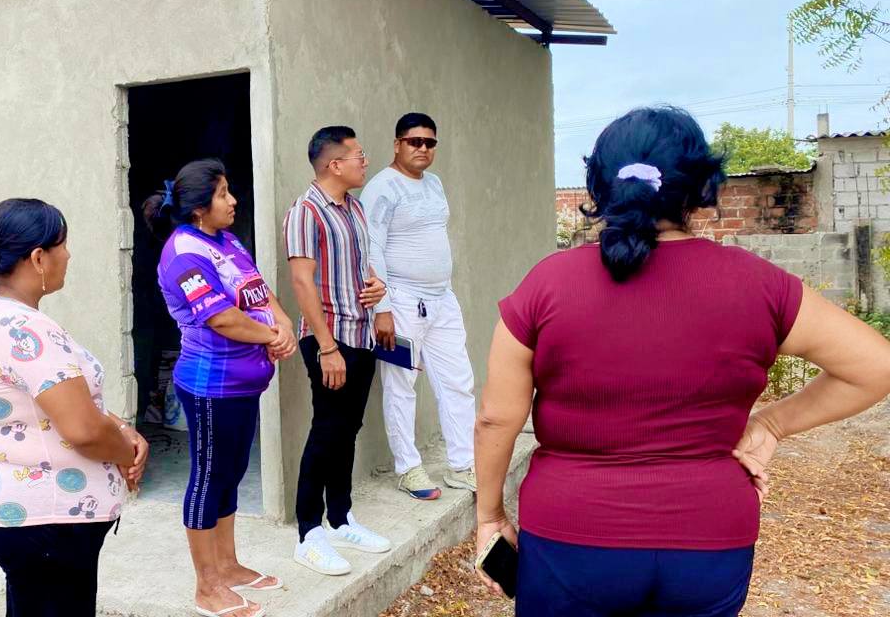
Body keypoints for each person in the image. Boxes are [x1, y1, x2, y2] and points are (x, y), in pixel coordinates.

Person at [473, 106, 890, 616]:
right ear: (700, 187)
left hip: (573, 537)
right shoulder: (759, 284)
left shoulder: (547, 284)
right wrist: (771, 426)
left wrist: (489, 516)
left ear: (599, 184)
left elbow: (496, 418)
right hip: (711, 539)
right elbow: (876, 366)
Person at [0, 198, 150, 617]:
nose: (69, 255)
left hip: (32, 520)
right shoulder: (28, 331)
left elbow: (51, 405)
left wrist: (122, 430)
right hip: (51, 525)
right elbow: (84, 430)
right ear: (39, 258)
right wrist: (126, 453)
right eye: (63, 245)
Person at [144, 159, 297, 617]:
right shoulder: (184, 254)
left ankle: (228, 566)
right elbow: (221, 318)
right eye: (223, 193)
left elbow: (259, 291)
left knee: (231, 473)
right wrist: (271, 336)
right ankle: (207, 586)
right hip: (212, 386)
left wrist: (284, 325)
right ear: (198, 208)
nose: (233, 201)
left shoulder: (227, 241)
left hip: (244, 385)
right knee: (208, 478)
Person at [284, 125, 391, 576]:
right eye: (358, 155)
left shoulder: (355, 207)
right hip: (330, 340)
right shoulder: (306, 211)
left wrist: (376, 288)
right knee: (328, 429)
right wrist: (327, 348)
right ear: (334, 164)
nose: (365, 162)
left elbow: (360, 265)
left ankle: (341, 518)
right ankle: (309, 532)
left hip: (360, 334)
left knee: (348, 429)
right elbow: (301, 281)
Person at [361, 112, 477, 501]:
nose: (423, 148)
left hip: (442, 299)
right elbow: (371, 249)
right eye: (415, 141)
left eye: (430, 142)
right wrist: (383, 308)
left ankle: (462, 464)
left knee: (458, 381)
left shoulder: (435, 183)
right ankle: (408, 468)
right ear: (397, 144)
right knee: (401, 385)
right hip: (401, 300)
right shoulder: (382, 188)